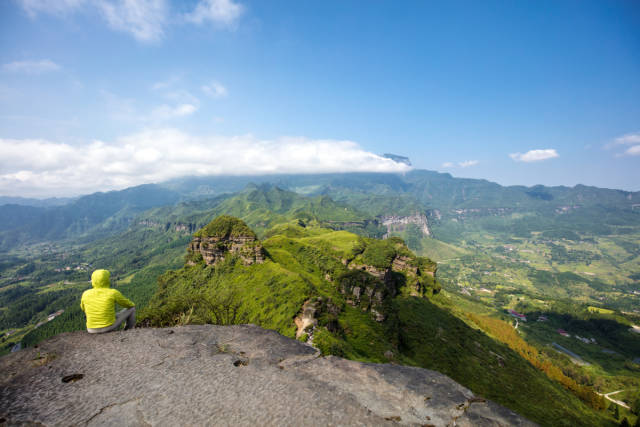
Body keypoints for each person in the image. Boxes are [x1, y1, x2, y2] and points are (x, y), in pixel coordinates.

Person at [81, 269, 136, 333]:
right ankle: (129, 330)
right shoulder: (113, 292)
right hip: (108, 327)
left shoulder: (85, 293)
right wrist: (132, 304)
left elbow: (83, 308)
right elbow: (129, 305)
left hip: (91, 329)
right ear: (107, 280)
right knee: (132, 308)